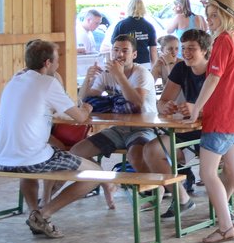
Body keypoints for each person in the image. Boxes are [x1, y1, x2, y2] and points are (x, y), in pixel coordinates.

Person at [0, 39, 92, 239]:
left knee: (27, 167)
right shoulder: (48, 83)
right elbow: (80, 118)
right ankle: (43, 214)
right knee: (95, 174)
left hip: (3, 159)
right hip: (33, 158)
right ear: (47, 63)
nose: (58, 64)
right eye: (57, 60)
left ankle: (34, 213)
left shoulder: (14, 81)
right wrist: (86, 108)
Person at [71, 34, 173, 210]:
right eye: (116, 50)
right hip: (118, 129)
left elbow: (137, 101)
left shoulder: (141, 73)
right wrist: (88, 80)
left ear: (134, 54)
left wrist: (119, 76)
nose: (119, 54)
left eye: (125, 51)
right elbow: (85, 100)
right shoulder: (107, 73)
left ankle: (156, 189)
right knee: (77, 152)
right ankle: (106, 183)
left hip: (145, 128)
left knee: (135, 156)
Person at [187, 0, 234, 243]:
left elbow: (213, 78)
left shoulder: (223, 41)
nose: (210, 20)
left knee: (207, 172)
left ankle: (226, 226)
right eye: (208, 15)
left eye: (214, 15)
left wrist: (196, 107)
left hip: (221, 117)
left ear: (226, 16)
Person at [156, 29, 212, 215]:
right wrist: (165, 107)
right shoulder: (181, 68)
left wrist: (197, 109)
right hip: (187, 129)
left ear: (204, 50)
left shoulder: (215, 70)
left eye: (191, 48)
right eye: (184, 48)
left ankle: (226, 205)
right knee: (151, 151)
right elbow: (162, 101)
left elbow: (227, 106)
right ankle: (182, 199)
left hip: (215, 129)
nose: (186, 53)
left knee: (218, 164)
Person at [111, 0, 157, 67]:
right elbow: (153, 50)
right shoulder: (149, 26)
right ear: (143, 8)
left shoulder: (121, 25)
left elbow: (114, 47)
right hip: (144, 63)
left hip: (125, 62)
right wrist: (154, 67)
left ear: (129, 8)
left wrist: (113, 65)